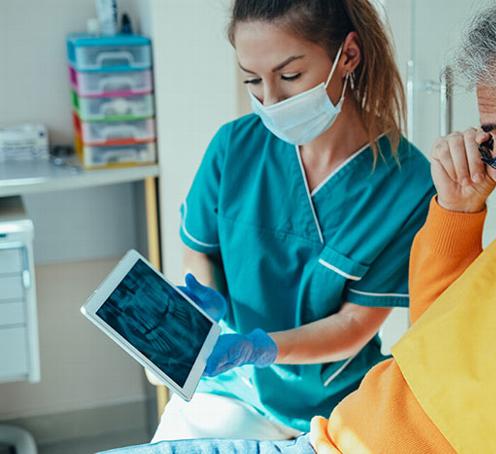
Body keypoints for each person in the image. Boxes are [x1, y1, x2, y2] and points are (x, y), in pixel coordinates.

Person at [106, 0, 496, 452]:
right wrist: (457, 214)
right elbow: (437, 341)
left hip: (328, 417)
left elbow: (370, 329)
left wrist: (260, 348)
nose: (494, 165)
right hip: (335, 435)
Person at [150, 0, 434, 443]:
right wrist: (202, 306)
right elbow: (199, 249)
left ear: (349, 56)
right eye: (252, 80)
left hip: (335, 404)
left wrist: (264, 347)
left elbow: (354, 325)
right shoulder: (234, 147)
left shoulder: (407, 182)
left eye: (289, 76)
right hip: (234, 388)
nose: (270, 99)